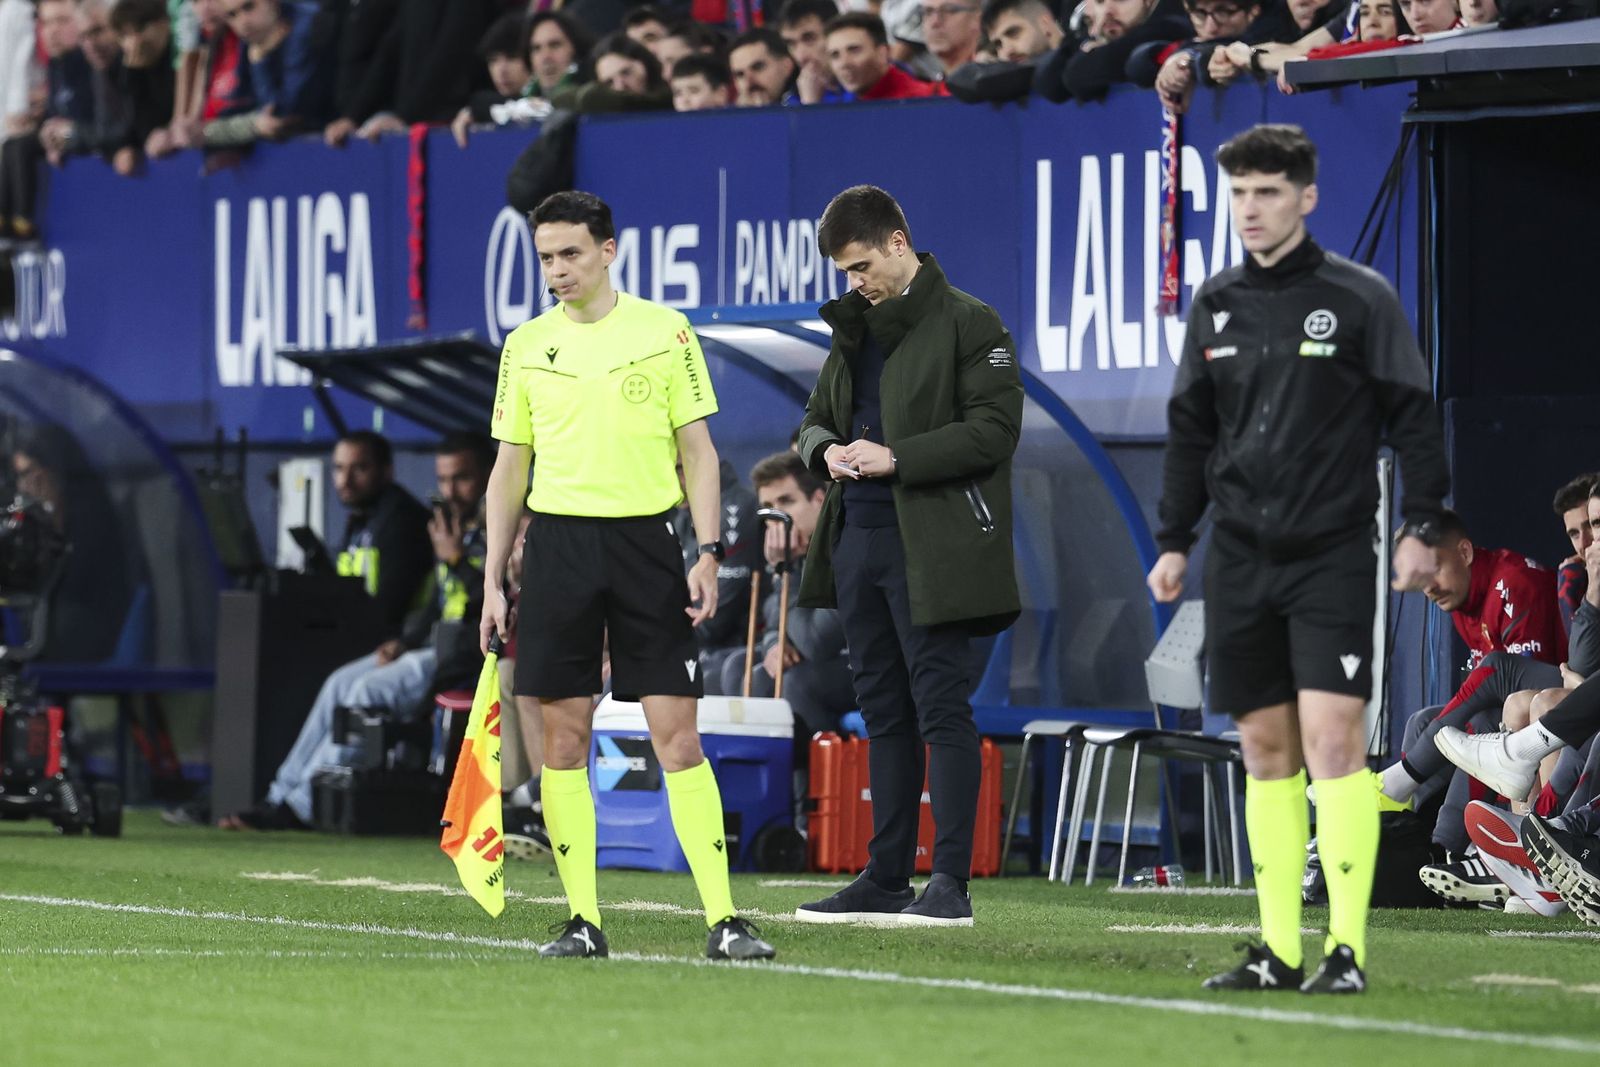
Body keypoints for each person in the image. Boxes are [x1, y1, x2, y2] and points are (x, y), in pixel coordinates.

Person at [1148, 124, 1448, 994]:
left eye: (1269, 192)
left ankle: (1346, 951)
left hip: (1331, 556)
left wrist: (1422, 524)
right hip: (1238, 559)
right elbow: (1189, 432)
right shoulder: (1214, 304)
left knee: (1333, 742)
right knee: (1265, 749)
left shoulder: (1360, 298)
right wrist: (1175, 540)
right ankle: (1280, 951)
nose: (1252, 208)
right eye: (1239, 192)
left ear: (1307, 197)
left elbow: (1414, 418)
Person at [481, 190, 774, 962]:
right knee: (563, 739)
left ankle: (726, 919)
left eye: (570, 253)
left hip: (649, 544)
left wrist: (707, 550)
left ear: (609, 250)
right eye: (545, 257)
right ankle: (583, 921)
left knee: (677, 732)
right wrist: (490, 580)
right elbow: (509, 469)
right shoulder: (526, 345)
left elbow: (699, 451)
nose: (557, 270)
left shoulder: (663, 331)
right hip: (558, 552)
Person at [793, 185, 1022, 928]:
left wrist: (897, 458)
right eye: (844, 271)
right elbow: (813, 422)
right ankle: (887, 874)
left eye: (861, 265)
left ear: (899, 242)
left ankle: (949, 879)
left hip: (933, 544)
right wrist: (825, 450)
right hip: (857, 537)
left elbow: (994, 430)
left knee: (940, 708)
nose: (854, 282)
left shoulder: (969, 320)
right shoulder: (851, 327)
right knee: (882, 711)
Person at [218, 434, 494, 830]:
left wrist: (454, 558)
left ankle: (304, 805)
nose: (450, 491)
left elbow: (498, 600)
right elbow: (437, 602)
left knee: (367, 692)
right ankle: (279, 793)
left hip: (468, 653)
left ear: (488, 475)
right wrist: (404, 641)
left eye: (462, 479)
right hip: (434, 644)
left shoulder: (502, 528)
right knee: (338, 683)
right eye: (444, 480)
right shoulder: (452, 528)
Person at [735, 451, 853, 739]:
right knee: (746, 669)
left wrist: (786, 571)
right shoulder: (798, 550)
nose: (777, 518)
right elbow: (774, 625)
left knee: (798, 682)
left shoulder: (846, 546)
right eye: (767, 507)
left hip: (871, 663)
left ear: (819, 500)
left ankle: (817, 782)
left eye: (786, 501)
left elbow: (816, 643)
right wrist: (777, 644)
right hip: (828, 662)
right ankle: (765, 778)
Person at [329, 430, 434, 637]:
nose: (345, 480)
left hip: (394, 638)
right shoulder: (360, 517)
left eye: (359, 468)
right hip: (361, 632)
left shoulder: (402, 519)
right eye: (339, 468)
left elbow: (391, 606)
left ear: (386, 471)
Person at [825, 13, 946, 100]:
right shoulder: (842, 104)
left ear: (883, 53)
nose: (844, 63)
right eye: (835, 55)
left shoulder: (921, 101)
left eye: (854, 50)